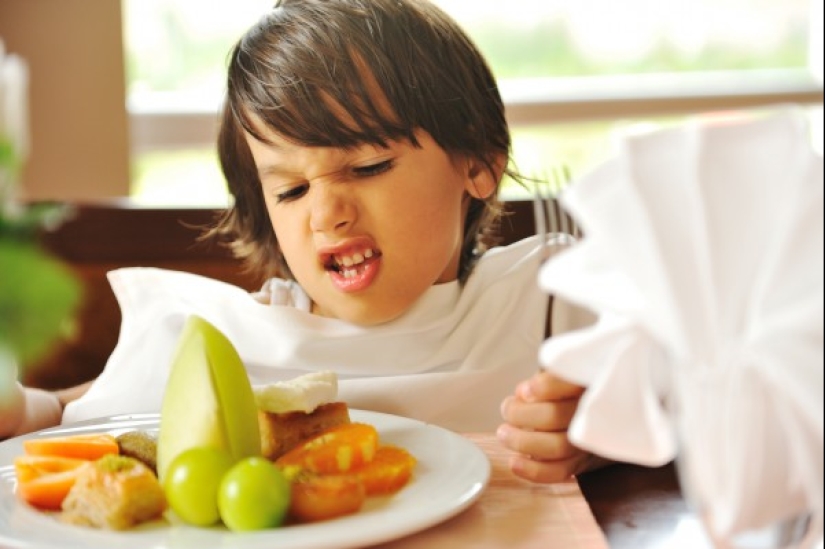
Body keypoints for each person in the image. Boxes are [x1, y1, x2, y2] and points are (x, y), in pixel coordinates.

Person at [1, 0, 597, 483]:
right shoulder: (243, 336)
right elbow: (102, 407)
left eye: (367, 167)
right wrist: (32, 408)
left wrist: (596, 438)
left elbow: (649, 406)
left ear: (479, 165)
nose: (326, 215)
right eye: (290, 191)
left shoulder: (546, 303)